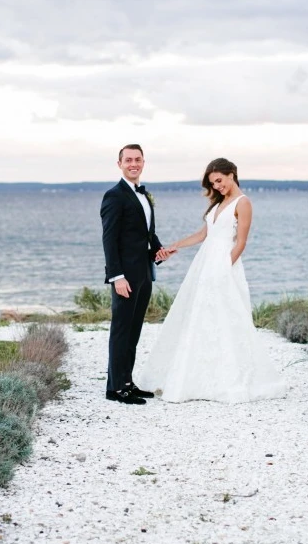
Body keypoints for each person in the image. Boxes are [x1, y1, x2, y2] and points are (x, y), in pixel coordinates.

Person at [133, 158, 286, 403]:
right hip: (204, 265)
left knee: (227, 318)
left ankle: (230, 379)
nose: (217, 186)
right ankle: (196, 378)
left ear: (232, 174)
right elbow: (204, 234)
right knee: (200, 317)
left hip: (224, 265)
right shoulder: (218, 204)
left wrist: (225, 268)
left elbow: (241, 242)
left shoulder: (243, 203)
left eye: (219, 180)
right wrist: (174, 247)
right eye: (213, 183)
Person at [100, 144, 173, 405]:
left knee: (133, 330)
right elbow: (109, 240)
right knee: (121, 330)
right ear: (119, 163)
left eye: (138, 159)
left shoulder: (144, 195)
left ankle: (126, 383)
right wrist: (116, 276)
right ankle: (116, 388)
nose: (134, 163)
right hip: (125, 277)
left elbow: (146, 233)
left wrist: (158, 250)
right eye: (128, 159)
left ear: (144, 162)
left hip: (144, 272)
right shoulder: (114, 195)